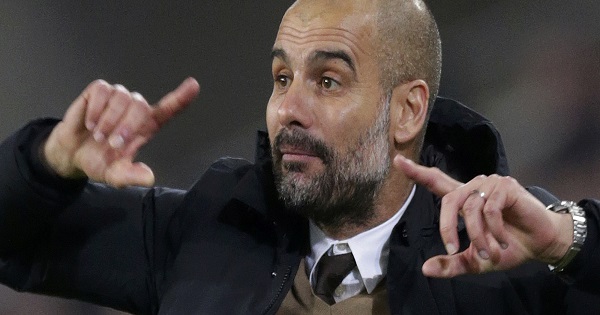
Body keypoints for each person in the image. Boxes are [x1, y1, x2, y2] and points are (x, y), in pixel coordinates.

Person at [0, 0, 598, 314]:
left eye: (329, 81)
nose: (288, 107)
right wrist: (50, 161)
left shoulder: (507, 254)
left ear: (409, 111)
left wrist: (569, 239)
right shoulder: (207, 230)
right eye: (282, 77)